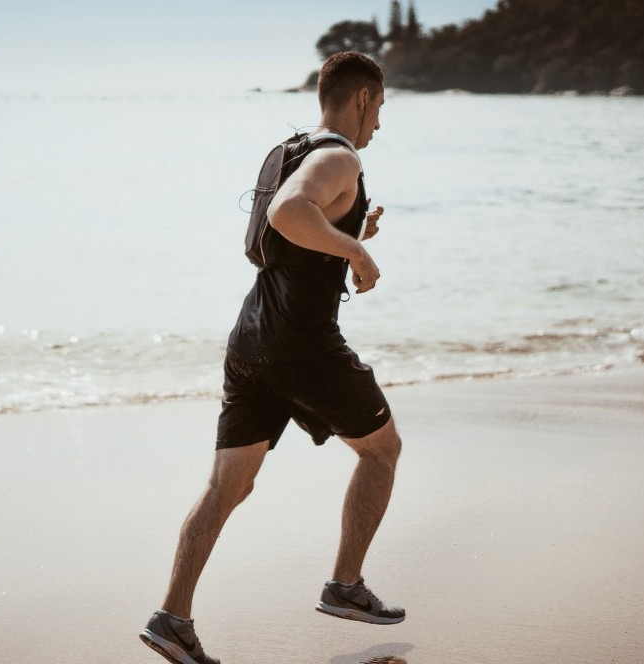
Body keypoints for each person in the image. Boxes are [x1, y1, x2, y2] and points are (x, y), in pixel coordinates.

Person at [139, 51, 404, 664]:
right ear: (363, 97)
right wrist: (358, 255)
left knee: (227, 486)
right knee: (382, 451)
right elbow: (288, 216)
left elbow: (267, 245)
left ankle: (171, 618)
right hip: (302, 346)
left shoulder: (285, 150)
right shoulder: (340, 156)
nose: (380, 126)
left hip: (250, 342)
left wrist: (346, 237)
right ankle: (345, 586)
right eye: (381, 108)